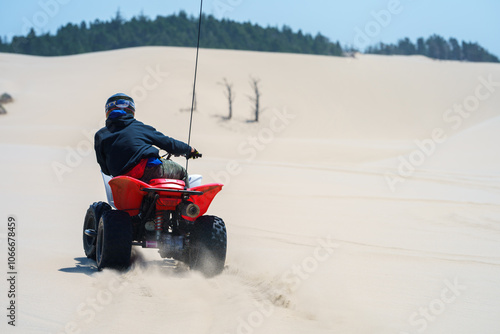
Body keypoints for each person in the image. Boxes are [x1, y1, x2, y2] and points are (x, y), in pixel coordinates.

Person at [94, 93, 201, 185]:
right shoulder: (140, 127)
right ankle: (187, 205)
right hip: (150, 170)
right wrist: (189, 150)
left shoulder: (101, 135)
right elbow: (169, 144)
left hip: (122, 181)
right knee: (181, 172)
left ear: (108, 112)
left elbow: (105, 169)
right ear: (131, 111)